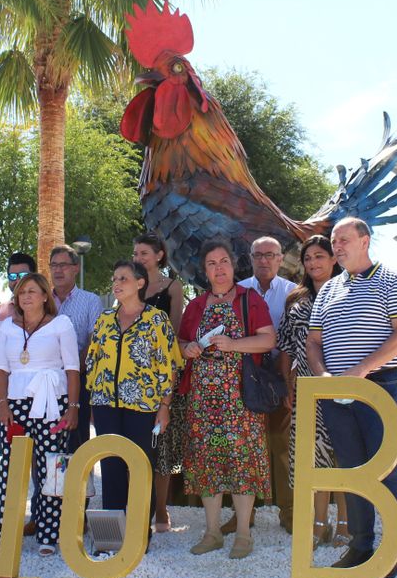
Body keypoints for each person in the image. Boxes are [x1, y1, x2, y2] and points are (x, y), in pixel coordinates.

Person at [307, 218, 397, 577]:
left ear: (365, 241)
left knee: (387, 468)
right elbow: (313, 340)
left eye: (343, 240)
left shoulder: (392, 279)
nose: (337, 246)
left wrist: (360, 371)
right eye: (334, 241)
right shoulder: (328, 288)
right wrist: (322, 375)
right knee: (351, 471)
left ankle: (395, 548)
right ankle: (361, 546)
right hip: (335, 392)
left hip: (378, 388)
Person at [177, 239, 275, 560]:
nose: (219, 269)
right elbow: (179, 343)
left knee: (242, 463)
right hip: (204, 402)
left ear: (234, 267)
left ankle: (244, 534)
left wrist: (233, 345)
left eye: (224, 262)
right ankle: (212, 532)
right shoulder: (196, 306)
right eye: (211, 264)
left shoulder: (250, 300)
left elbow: (267, 340)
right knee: (209, 463)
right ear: (205, 271)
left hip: (240, 400)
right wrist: (187, 348)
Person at [0, 273, 81, 555]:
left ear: (45, 296)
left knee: (52, 467)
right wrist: (3, 405)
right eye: (21, 292)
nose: (26, 296)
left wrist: (73, 407)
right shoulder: (7, 327)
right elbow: (0, 369)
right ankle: (6, 530)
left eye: (32, 291)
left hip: (52, 402)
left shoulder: (61, 324)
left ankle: (49, 533)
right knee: (10, 467)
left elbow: (72, 368)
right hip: (16, 404)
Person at [86, 261, 181, 523]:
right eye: (115, 279)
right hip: (106, 404)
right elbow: (93, 362)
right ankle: (114, 531)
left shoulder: (156, 320)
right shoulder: (104, 320)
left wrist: (164, 406)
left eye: (124, 279)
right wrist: (94, 400)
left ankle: (140, 529)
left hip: (143, 405)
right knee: (111, 465)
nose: (117, 283)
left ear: (140, 283)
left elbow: (169, 365)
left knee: (140, 466)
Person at [275, 235, 350, 548]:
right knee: (315, 458)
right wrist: (288, 386)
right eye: (308, 258)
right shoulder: (296, 299)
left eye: (320, 256)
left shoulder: (349, 291)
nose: (313, 263)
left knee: (347, 456)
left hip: (345, 386)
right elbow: (285, 348)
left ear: (333, 259)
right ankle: (319, 524)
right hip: (307, 389)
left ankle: (346, 524)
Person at [232, 236, 297, 534]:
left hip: (280, 375)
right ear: (250, 257)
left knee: (283, 446)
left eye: (270, 254)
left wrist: (288, 381)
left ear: (281, 258)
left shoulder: (292, 293)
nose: (264, 260)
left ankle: (290, 512)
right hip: (244, 376)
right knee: (243, 447)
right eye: (258, 255)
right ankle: (245, 514)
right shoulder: (238, 290)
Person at [132, 233, 186, 533]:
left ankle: (161, 510)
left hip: (162, 373)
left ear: (158, 255)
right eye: (136, 253)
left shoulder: (172, 287)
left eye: (144, 253)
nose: (139, 258)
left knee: (160, 446)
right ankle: (138, 507)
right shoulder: (129, 286)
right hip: (133, 377)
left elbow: (175, 332)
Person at [48, 245, 104, 454]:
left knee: (76, 444)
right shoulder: (42, 301)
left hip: (79, 382)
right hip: (45, 383)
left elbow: (93, 344)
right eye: (54, 265)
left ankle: (80, 487)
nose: (58, 270)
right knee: (45, 442)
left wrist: (70, 373)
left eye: (63, 265)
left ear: (76, 268)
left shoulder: (91, 301)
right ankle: (43, 488)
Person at [0, 251, 37, 538]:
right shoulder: (3, 314)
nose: (17, 281)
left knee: (44, 462)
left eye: (23, 275)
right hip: (7, 397)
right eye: (12, 276)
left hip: (43, 398)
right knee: (10, 459)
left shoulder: (50, 315)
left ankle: (41, 517)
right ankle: (9, 522)